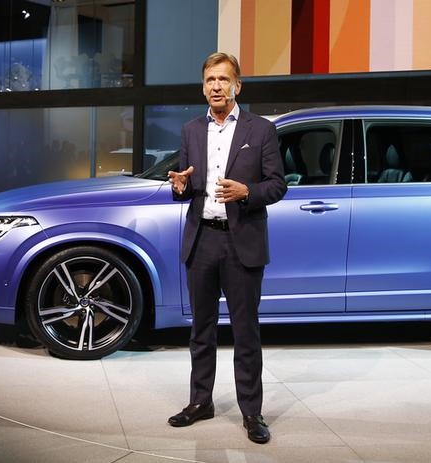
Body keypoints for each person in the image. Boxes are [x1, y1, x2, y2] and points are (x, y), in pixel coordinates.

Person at [166, 52, 287, 444]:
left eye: (223, 79)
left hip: (242, 242)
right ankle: (201, 401)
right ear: (203, 87)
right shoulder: (190, 131)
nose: (215, 87)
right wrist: (180, 188)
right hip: (202, 239)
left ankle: (252, 412)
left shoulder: (261, 130)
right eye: (209, 80)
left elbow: (278, 184)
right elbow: (186, 182)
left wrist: (247, 191)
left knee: (245, 331)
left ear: (238, 85)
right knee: (201, 331)